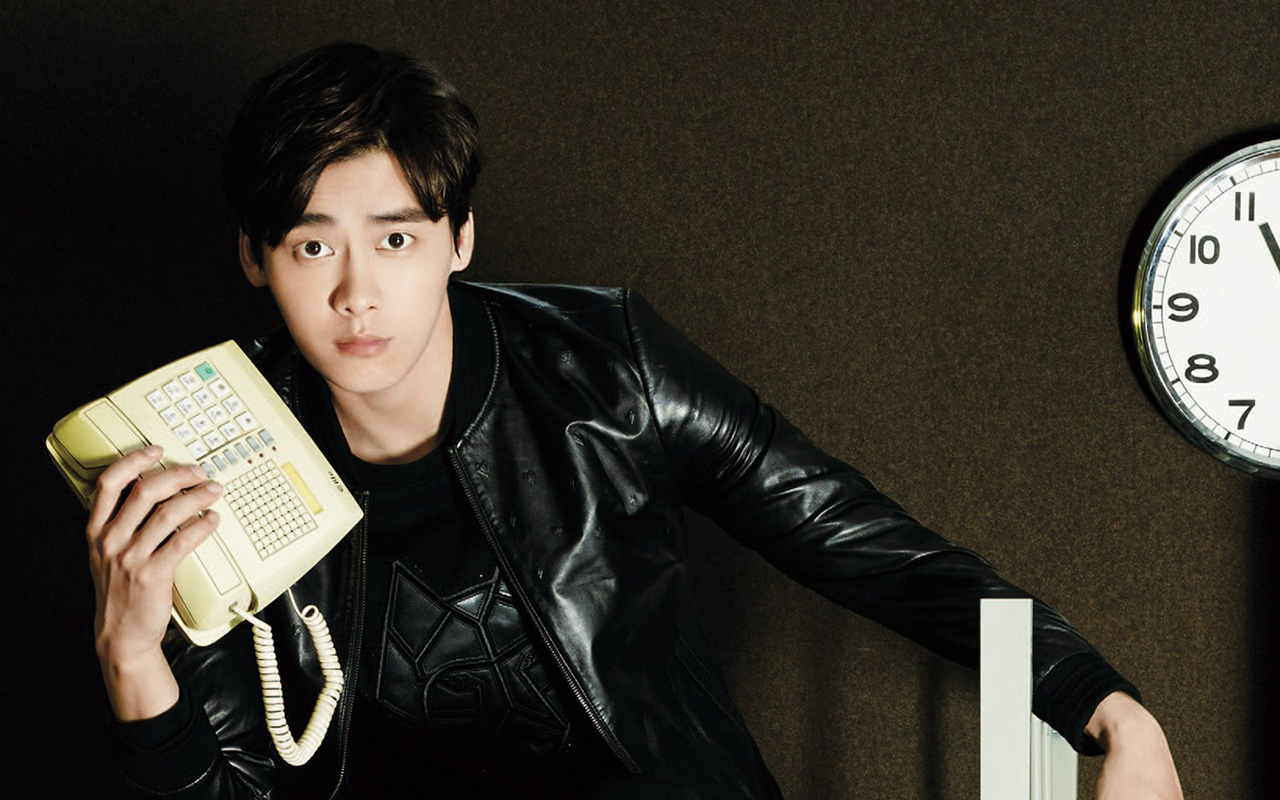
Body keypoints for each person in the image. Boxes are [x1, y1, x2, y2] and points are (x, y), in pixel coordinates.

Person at [85, 41, 1183, 799]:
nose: (357, 293)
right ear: (256, 258)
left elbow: (867, 546)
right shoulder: (204, 460)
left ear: (460, 239)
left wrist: (1108, 708)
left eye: (397, 238)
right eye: (312, 244)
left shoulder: (605, 365)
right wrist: (131, 648)